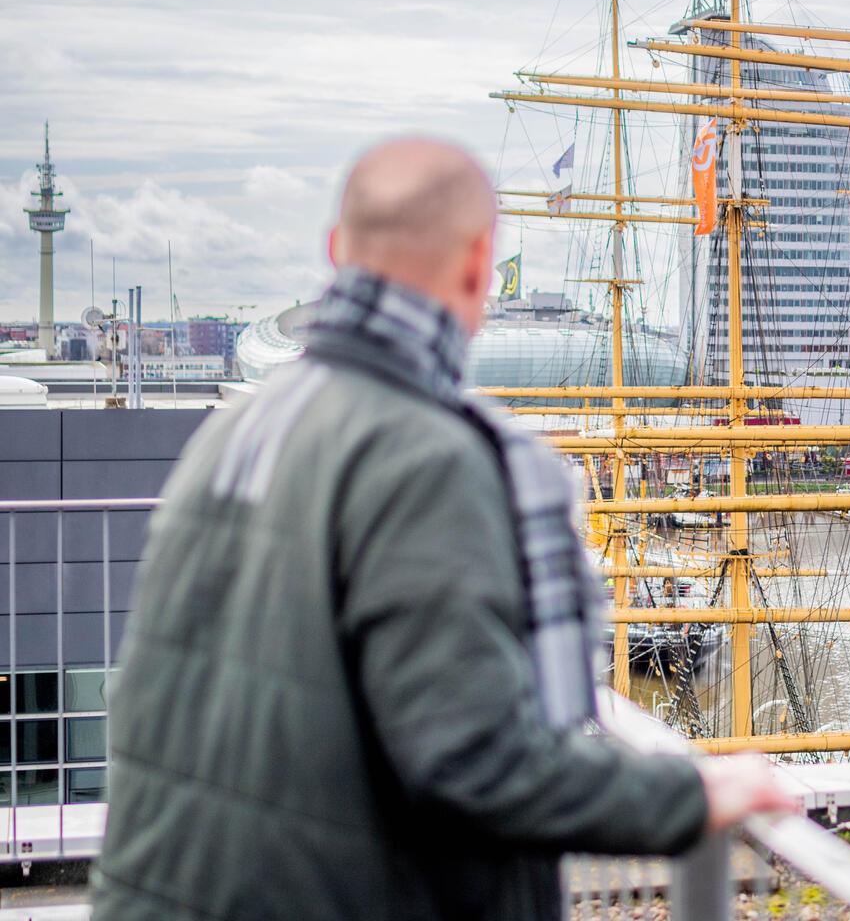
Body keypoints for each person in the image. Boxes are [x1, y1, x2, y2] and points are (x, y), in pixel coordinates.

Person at [93, 138, 793, 920]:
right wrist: (690, 791)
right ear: (476, 266)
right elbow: (475, 762)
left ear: (335, 254)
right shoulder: (427, 457)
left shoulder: (234, 432)